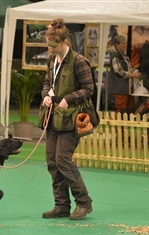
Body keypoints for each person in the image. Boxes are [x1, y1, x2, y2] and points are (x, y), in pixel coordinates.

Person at [41, 18, 93, 220]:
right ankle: (61, 204)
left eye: (53, 45)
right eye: (48, 45)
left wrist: (68, 99)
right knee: (52, 162)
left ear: (64, 42)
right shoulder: (51, 60)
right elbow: (47, 82)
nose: (50, 49)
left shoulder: (79, 61)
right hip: (53, 117)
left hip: (71, 118)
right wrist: (46, 95)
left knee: (63, 160)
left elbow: (89, 89)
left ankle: (84, 203)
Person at [108, 35, 141, 114]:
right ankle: (117, 126)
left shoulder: (125, 56)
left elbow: (129, 68)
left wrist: (134, 71)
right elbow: (120, 72)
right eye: (123, 43)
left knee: (129, 110)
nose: (125, 45)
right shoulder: (115, 57)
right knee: (120, 111)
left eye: (125, 43)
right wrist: (133, 75)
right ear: (117, 44)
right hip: (120, 89)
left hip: (128, 89)